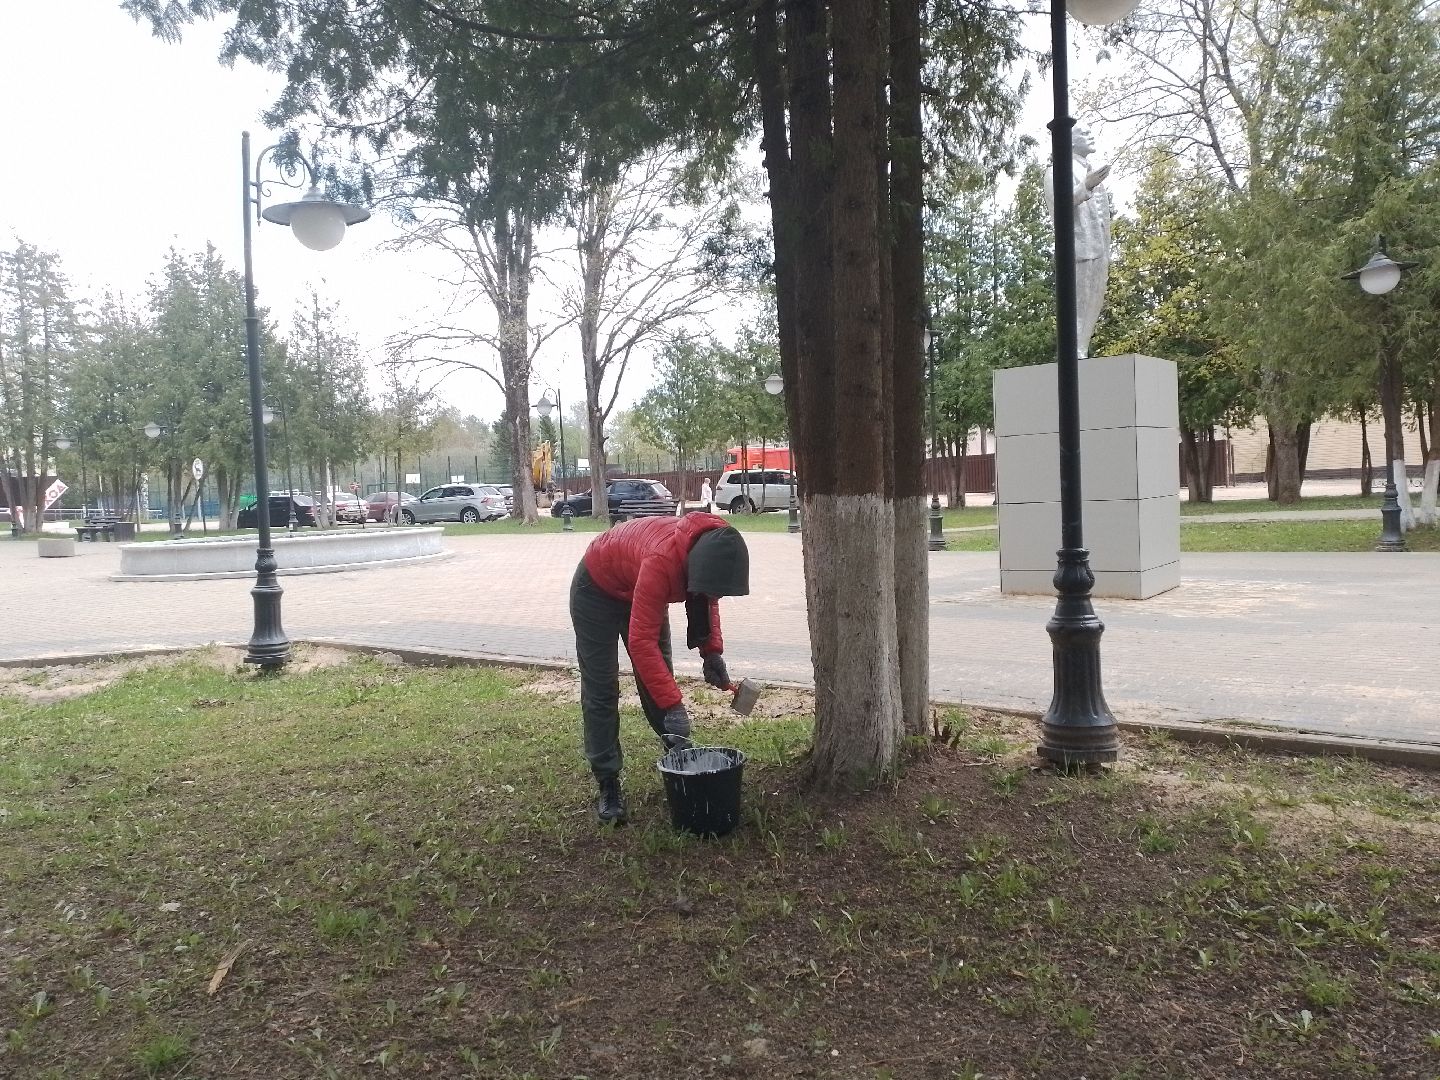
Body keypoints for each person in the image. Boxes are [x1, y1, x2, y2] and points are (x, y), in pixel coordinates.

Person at [569, 513, 749, 824]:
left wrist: (712, 652)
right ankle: (608, 781)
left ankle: (679, 758)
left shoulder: (713, 547)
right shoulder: (662, 560)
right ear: (694, 565)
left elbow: (707, 596)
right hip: (596, 591)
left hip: (637, 584)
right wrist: (675, 705)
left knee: (658, 680)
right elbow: (642, 644)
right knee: (602, 689)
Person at [1044, 123, 1112, 359]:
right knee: (1077, 307)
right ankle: (1074, 353)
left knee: (1094, 303)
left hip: (1099, 249)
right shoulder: (1056, 171)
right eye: (1084, 133)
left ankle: (1081, 349)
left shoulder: (1088, 169)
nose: (1090, 135)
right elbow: (1060, 204)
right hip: (1079, 250)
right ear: (1070, 141)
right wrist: (1086, 185)